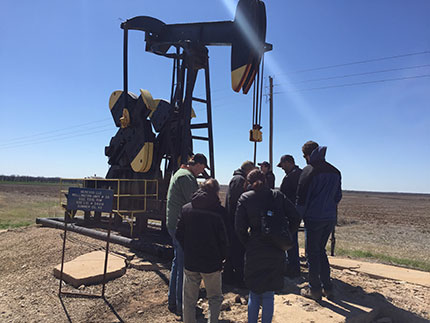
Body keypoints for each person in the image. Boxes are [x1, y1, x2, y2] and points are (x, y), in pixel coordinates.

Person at [235, 169, 300, 323]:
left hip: (255, 249)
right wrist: (285, 235)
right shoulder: (277, 196)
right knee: (269, 294)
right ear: (265, 179)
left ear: (248, 182)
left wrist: (249, 243)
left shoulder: (245, 198)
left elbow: (239, 228)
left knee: (254, 292)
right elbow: (295, 217)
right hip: (276, 248)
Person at [176, 179, 228, 323]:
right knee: (215, 298)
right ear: (217, 192)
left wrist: (188, 249)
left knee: (189, 299)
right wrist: (222, 257)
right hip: (212, 263)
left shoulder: (186, 209)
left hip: (191, 261)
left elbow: (178, 234)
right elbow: (224, 239)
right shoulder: (220, 212)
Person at [296, 141, 342, 301]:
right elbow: (338, 197)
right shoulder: (335, 171)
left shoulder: (309, 171)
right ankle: (328, 288)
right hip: (329, 218)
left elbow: (301, 199)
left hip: (313, 219)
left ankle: (314, 289)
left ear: (307, 155)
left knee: (312, 254)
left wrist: (296, 220)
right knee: (321, 251)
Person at [166, 153, 208, 316]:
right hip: (181, 226)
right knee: (184, 268)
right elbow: (195, 201)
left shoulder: (181, 173)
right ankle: (182, 307)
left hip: (175, 225)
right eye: (202, 168)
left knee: (178, 263)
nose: (202, 171)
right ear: (197, 164)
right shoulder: (187, 178)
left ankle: (173, 301)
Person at [224, 160, 255, 286]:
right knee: (238, 250)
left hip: (233, 220)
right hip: (235, 221)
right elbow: (237, 202)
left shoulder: (237, 178)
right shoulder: (239, 180)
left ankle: (228, 276)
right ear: (248, 170)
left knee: (232, 250)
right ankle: (238, 279)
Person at [277, 154, 302, 278]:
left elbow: (284, 196)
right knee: (292, 239)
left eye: (283, 165)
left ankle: (293, 268)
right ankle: (293, 265)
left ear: (288, 163)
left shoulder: (292, 176)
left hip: (291, 213)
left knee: (290, 239)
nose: (282, 168)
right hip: (296, 212)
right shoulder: (300, 173)